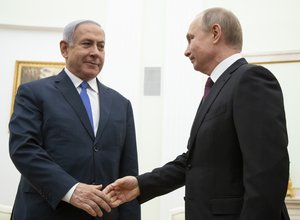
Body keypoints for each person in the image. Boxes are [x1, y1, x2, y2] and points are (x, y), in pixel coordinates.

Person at [105, 7, 290, 220]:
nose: (186, 50)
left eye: (190, 38)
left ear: (215, 33)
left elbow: (267, 174)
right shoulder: (218, 87)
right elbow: (193, 162)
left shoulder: (251, 79)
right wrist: (141, 185)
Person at [9, 20, 140, 220]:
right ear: (65, 48)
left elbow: (128, 170)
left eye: (101, 46)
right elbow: (24, 149)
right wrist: (70, 189)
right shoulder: (33, 93)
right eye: (87, 44)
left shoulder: (121, 104)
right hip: (45, 213)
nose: (95, 52)